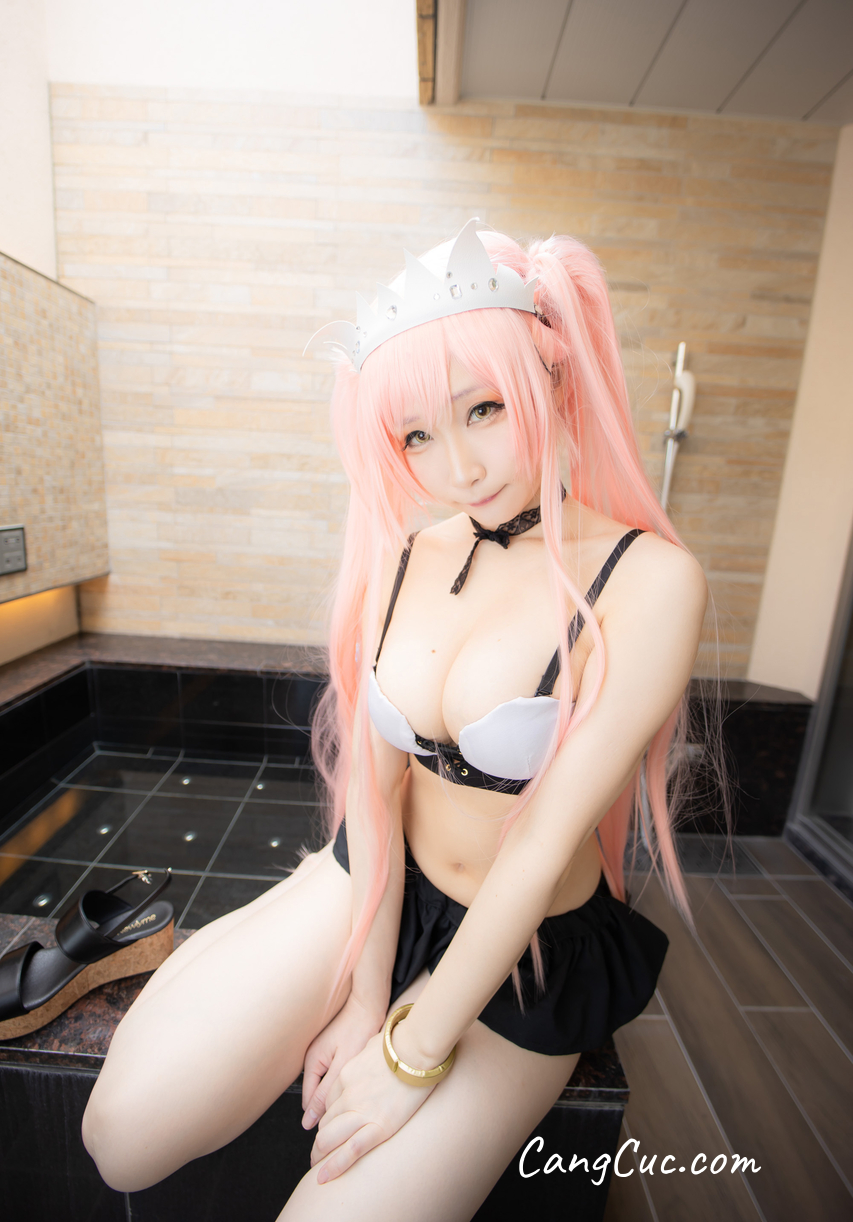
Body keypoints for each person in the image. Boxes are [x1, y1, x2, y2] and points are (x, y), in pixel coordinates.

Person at [81, 220, 709, 1220]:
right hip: (374, 882)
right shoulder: (409, 552)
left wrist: (410, 1052)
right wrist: (364, 993)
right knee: (120, 1137)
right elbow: (374, 789)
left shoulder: (650, 580)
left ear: (552, 379)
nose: (457, 466)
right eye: (417, 434)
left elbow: (541, 844)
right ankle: (266, 923)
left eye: (483, 408)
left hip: (524, 944)